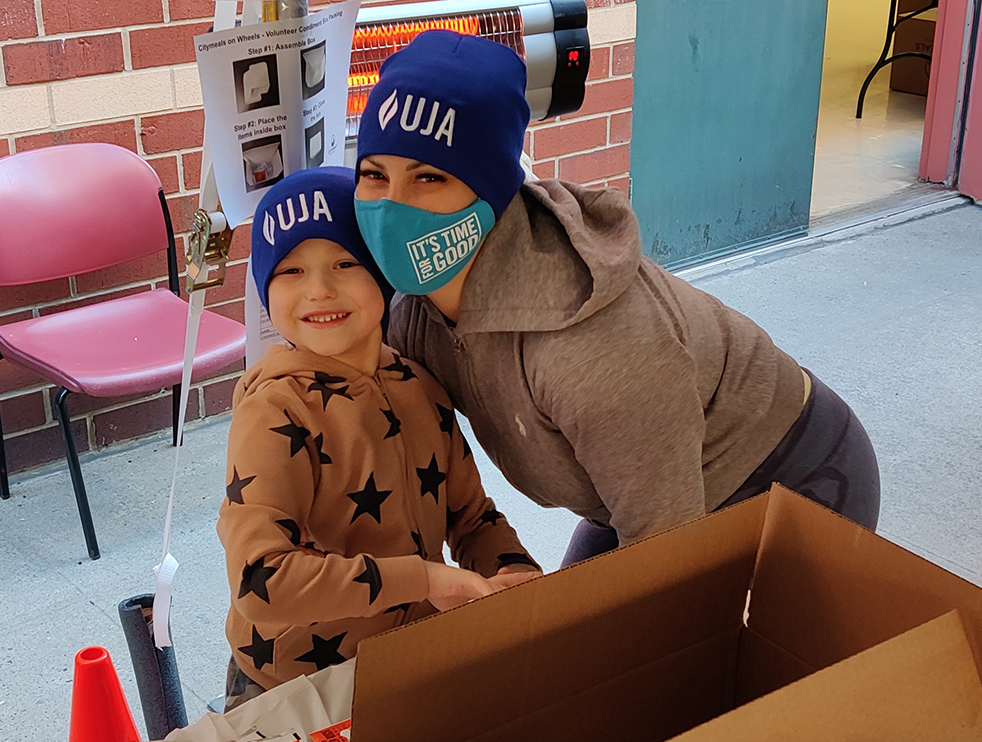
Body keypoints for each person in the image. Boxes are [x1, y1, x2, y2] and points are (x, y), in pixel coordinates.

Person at [353, 31, 880, 566]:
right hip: (646, 488)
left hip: (788, 473)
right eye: (374, 174)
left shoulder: (591, 351)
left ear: (489, 192)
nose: (393, 207)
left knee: (682, 645)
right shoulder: (410, 311)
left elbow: (663, 557)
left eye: (430, 177)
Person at [218, 167, 539, 706]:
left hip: (404, 666)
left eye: (345, 262)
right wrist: (428, 581)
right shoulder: (275, 408)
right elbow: (260, 581)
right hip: (292, 688)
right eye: (291, 270)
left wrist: (512, 572)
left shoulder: (420, 386)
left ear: (383, 271)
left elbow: (471, 517)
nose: (319, 289)